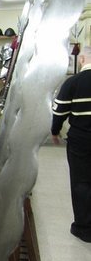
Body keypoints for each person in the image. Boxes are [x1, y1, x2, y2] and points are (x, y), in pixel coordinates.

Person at [51, 46, 91, 243]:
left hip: (80, 139)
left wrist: (54, 131)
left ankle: (84, 228)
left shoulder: (73, 82)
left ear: (82, 59)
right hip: (81, 138)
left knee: (81, 182)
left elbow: (59, 111)